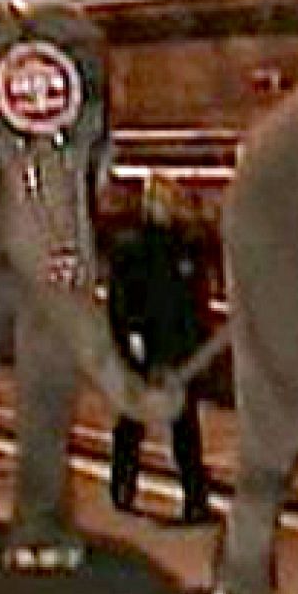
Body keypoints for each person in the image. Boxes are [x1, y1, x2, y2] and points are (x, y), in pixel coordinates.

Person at [107, 176, 214, 524]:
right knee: (134, 420)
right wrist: (130, 339)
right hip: (147, 346)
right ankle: (122, 483)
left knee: (184, 427)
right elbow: (121, 301)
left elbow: (197, 304)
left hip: (177, 350)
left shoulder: (186, 248)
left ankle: (195, 497)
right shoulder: (134, 248)